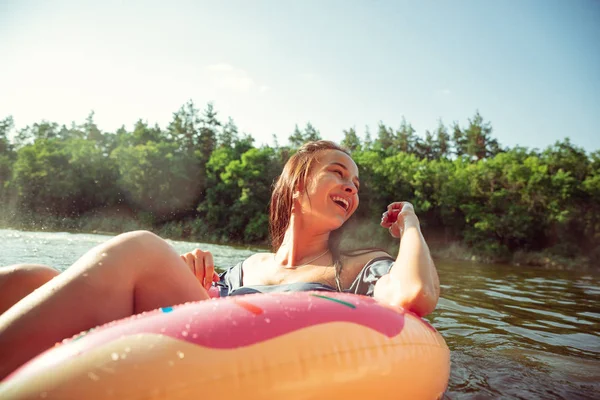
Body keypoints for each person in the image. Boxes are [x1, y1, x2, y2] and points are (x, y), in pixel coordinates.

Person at [0, 140, 439, 380]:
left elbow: (416, 295)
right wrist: (197, 281)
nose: (352, 187)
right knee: (27, 278)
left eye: (356, 183)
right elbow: (196, 312)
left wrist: (412, 227)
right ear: (295, 186)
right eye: (338, 173)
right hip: (191, 343)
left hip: (263, 366)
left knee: (142, 249)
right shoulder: (246, 268)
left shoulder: (356, 267)